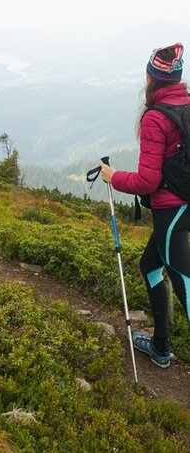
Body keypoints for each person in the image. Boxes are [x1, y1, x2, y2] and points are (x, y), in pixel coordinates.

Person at [100, 43, 190, 368]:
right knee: (150, 266)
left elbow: (147, 182)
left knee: (185, 283)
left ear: (152, 78)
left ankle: (162, 348)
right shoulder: (186, 105)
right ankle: (161, 346)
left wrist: (112, 176)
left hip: (171, 212)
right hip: (185, 207)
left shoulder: (155, 117)